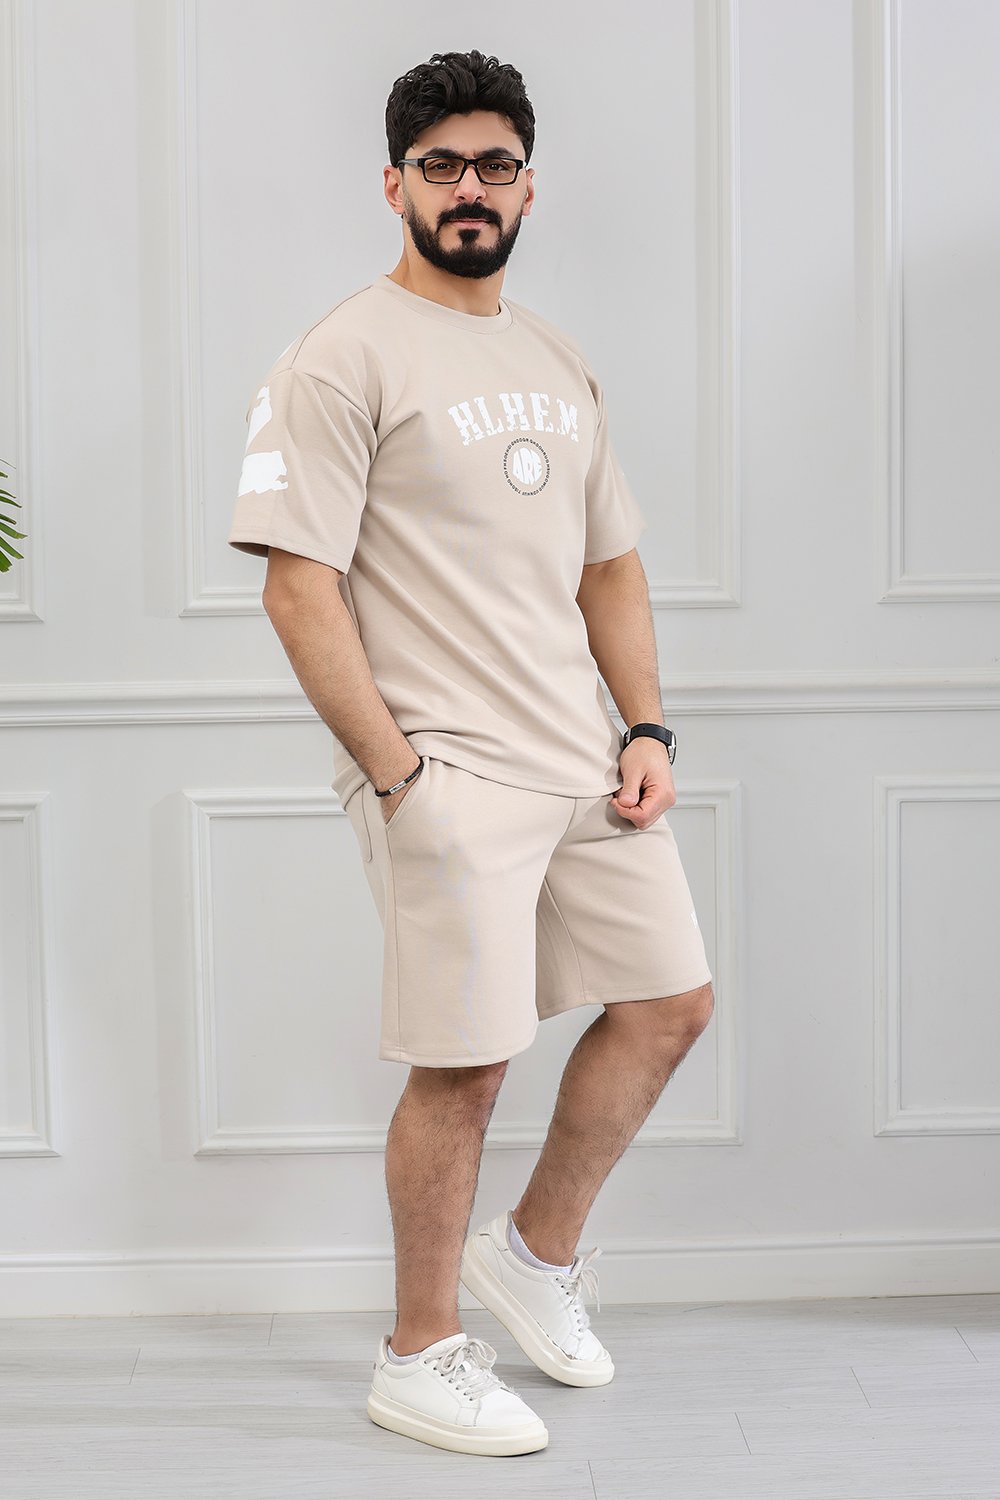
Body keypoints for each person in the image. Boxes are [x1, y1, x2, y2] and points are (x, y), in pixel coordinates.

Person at [228, 48, 715, 1459]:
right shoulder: (340, 355)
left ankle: (536, 1252)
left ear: (528, 187)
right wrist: (398, 774)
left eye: (494, 165)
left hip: (583, 759)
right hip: (445, 765)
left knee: (670, 1003)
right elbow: (297, 587)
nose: (469, 189)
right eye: (440, 165)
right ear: (394, 185)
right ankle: (419, 1351)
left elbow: (610, 565)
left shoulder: (555, 358)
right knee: (468, 1065)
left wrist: (643, 724)